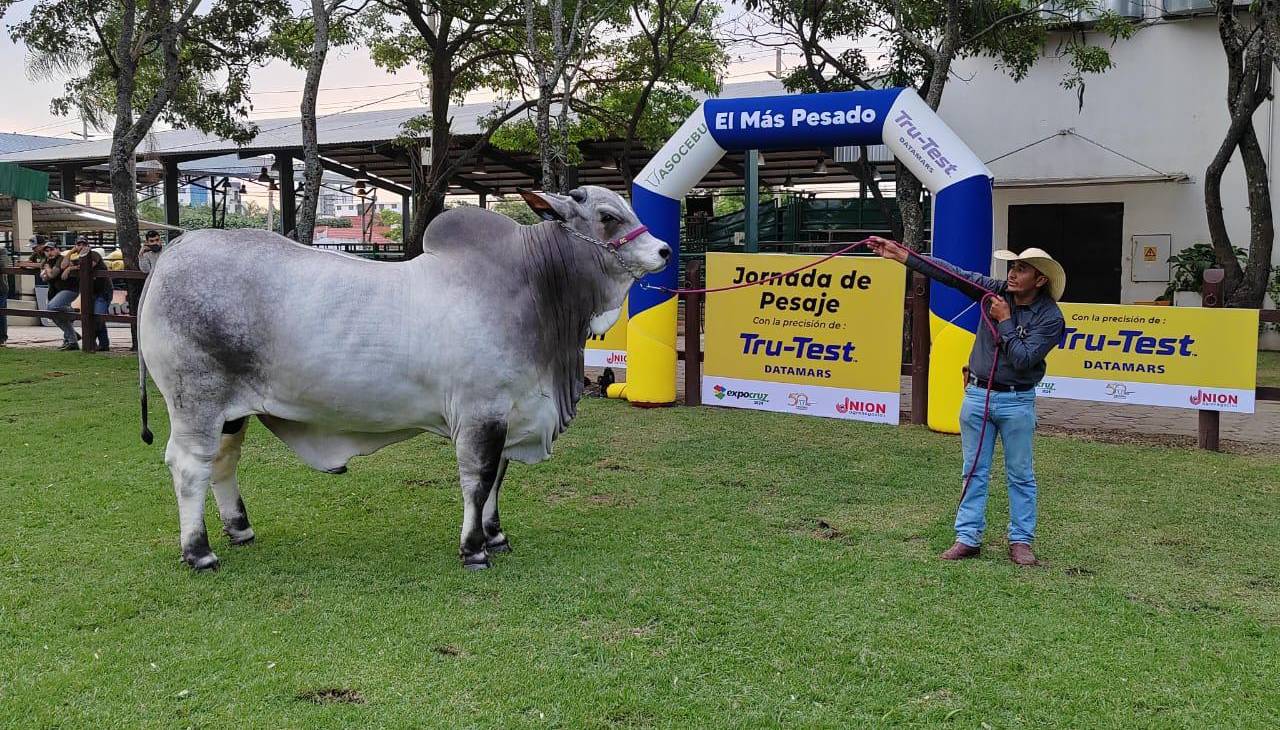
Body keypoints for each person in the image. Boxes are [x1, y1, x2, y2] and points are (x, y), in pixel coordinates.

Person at [867, 236, 1066, 566]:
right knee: (973, 471)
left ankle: (1021, 541)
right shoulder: (994, 291)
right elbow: (952, 274)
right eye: (1012, 267)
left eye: (1022, 269)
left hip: (1017, 401)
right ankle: (967, 537)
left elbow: (1024, 360)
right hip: (977, 395)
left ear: (1040, 280)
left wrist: (1004, 320)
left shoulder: (1050, 318)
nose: (1012, 274)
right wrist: (904, 256)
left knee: (1020, 474)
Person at [49, 236, 113, 351]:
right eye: (78, 244)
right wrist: (71, 252)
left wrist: (70, 269)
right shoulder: (76, 257)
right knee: (92, 317)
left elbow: (88, 266)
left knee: (98, 317)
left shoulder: (94, 254)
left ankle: (96, 343)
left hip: (103, 291)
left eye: (84, 244)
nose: (81, 246)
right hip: (89, 293)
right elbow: (63, 265)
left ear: (88, 246)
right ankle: (102, 345)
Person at [41, 243, 80, 350]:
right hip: (56, 292)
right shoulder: (45, 261)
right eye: (47, 250)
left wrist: (48, 270)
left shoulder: (61, 259)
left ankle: (72, 312)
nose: (49, 252)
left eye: (52, 249)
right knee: (56, 315)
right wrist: (48, 272)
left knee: (52, 308)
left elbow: (52, 274)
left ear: (58, 250)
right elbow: (44, 278)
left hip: (69, 289)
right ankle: (72, 341)